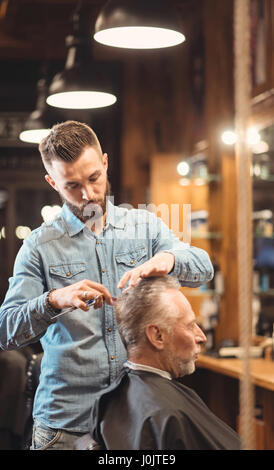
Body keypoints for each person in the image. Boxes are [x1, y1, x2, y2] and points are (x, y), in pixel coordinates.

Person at [0, 120, 213, 450]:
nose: (87, 195)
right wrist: (54, 299)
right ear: (52, 181)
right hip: (65, 428)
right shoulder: (39, 246)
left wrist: (169, 260)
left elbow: (203, 267)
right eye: (71, 185)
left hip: (136, 422)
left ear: (105, 163)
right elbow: (6, 331)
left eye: (94, 179)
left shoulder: (144, 226)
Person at [85, 276, 241, 450]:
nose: (201, 337)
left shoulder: (111, 398)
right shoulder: (167, 414)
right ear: (157, 336)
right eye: (190, 326)